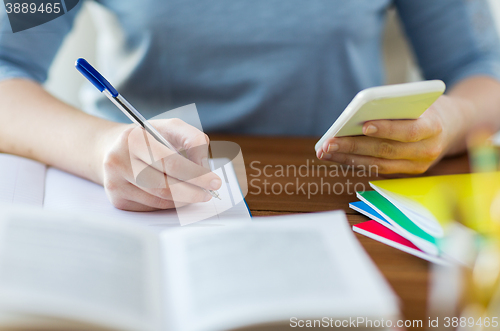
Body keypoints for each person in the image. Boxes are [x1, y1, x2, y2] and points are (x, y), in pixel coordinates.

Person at [0, 0, 499, 211]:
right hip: (135, 199)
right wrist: (99, 145)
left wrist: (450, 122)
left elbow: (482, 65)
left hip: (340, 199)